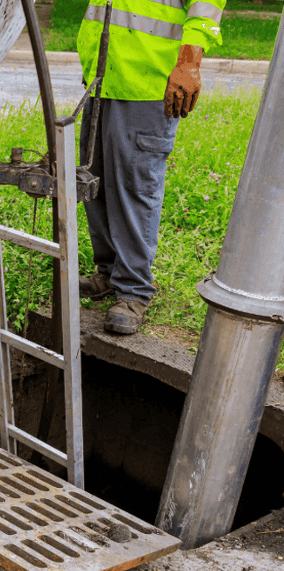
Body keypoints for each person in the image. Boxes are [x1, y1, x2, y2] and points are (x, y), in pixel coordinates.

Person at [77, 0, 226, 334]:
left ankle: (133, 291)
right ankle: (109, 272)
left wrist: (189, 63)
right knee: (94, 180)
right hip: (105, 75)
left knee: (134, 186)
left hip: (149, 79)